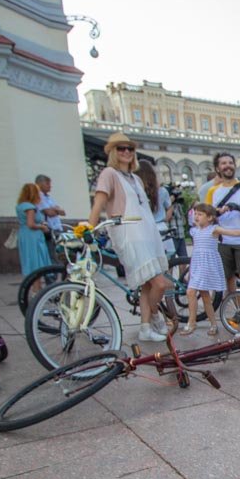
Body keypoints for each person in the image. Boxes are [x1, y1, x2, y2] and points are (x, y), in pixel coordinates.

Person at [88, 133, 172, 343]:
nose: (126, 152)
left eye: (130, 148)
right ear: (112, 152)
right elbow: (99, 201)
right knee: (160, 284)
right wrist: (89, 227)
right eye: (121, 148)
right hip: (129, 234)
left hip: (147, 233)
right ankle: (155, 315)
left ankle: (145, 328)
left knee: (148, 285)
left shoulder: (135, 178)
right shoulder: (109, 173)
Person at [202, 153, 240, 294]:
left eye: (230, 162)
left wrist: (239, 208)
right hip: (223, 239)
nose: (228, 166)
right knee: (227, 277)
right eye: (223, 163)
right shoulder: (213, 191)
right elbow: (206, 217)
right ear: (218, 169)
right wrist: (218, 212)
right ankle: (235, 309)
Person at [181, 203, 227, 336]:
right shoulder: (195, 230)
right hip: (197, 264)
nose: (196, 216)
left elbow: (231, 232)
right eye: (196, 214)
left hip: (206, 265)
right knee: (205, 296)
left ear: (210, 218)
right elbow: (190, 215)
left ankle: (192, 322)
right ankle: (213, 324)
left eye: (200, 214)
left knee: (190, 292)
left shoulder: (213, 229)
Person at [137, 161, 176, 258]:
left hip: (144, 230)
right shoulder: (162, 190)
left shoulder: (137, 192)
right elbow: (170, 207)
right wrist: (164, 219)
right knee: (168, 260)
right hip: (162, 227)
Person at [15, 183, 53, 278]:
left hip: (24, 234)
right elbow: (31, 224)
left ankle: (34, 287)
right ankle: (37, 288)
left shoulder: (20, 206)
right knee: (36, 262)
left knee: (29, 260)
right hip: (32, 236)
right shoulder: (30, 207)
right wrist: (42, 227)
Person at [35, 174, 66, 243]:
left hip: (57, 228)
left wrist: (55, 209)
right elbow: (50, 213)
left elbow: (63, 212)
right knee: (51, 251)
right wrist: (56, 210)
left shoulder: (49, 197)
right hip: (49, 229)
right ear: (40, 184)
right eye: (47, 184)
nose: (50, 186)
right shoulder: (38, 197)